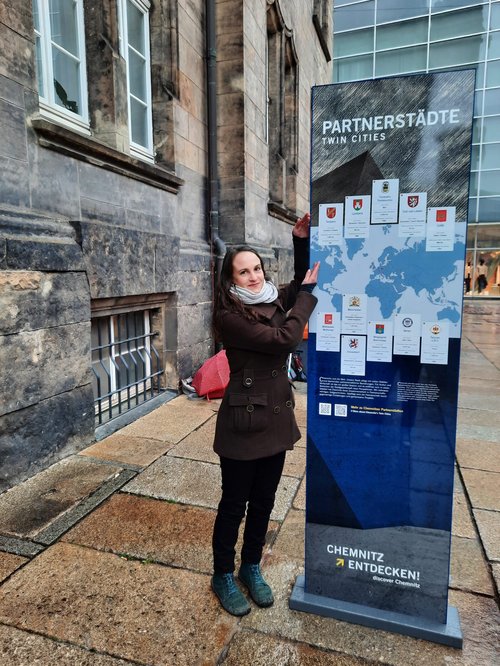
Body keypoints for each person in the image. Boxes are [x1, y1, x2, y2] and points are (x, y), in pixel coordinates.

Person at [210, 213, 319, 616]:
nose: (254, 277)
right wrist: (305, 297)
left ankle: (250, 567)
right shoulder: (229, 316)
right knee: (234, 503)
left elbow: (302, 280)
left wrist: (300, 240)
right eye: (244, 272)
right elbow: (284, 339)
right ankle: (222, 573)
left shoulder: (272, 297)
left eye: (256, 268)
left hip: (274, 419)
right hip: (243, 423)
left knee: (264, 501)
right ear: (231, 280)